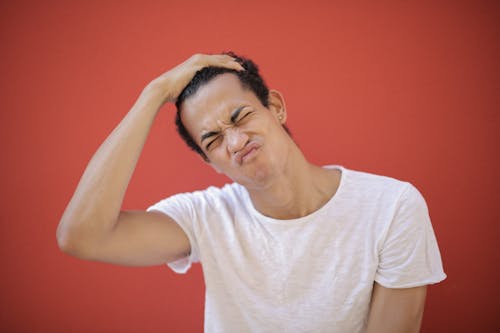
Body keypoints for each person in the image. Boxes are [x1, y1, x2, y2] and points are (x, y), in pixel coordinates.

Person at [57, 52, 446, 333]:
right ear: (210, 162)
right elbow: (82, 236)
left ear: (275, 106)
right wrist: (153, 94)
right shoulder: (205, 217)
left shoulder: (392, 207)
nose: (237, 140)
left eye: (240, 116)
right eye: (213, 139)